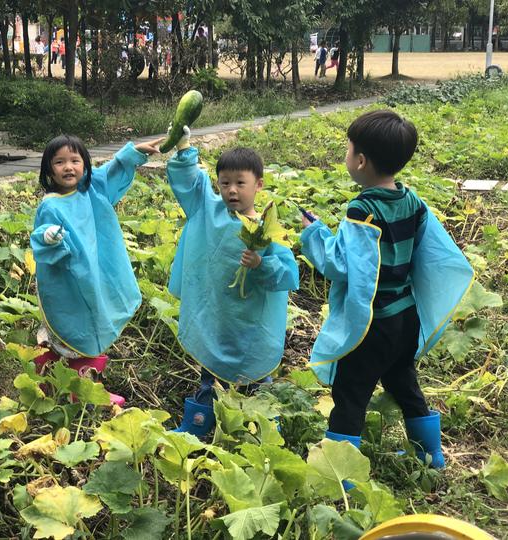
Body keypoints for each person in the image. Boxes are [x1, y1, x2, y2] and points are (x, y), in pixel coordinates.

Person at [299, 110, 473, 470]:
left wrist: (314, 233)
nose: (346, 156)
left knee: (351, 393)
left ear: (360, 161)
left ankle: (340, 474)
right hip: (405, 316)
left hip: (373, 323)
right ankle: (431, 455)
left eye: (348, 151)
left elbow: (343, 265)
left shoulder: (362, 209)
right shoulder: (412, 201)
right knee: (404, 382)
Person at [165, 128, 299, 437]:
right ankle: (197, 425)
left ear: (258, 185)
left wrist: (260, 264)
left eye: (240, 183)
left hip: (250, 324)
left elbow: (288, 275)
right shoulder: (208, 211)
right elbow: (191, 183)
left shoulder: (266, 230)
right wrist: (185, 148)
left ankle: (264, 430)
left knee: (256, 381)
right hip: (214, 316)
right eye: (224, 183)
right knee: (209, 373)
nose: (232, 191)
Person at [31, 134, 164, 407]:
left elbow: (112, 172)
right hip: (68, 280)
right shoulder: (51, 205)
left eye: (75, 161)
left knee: (91, 324)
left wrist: (133, 153)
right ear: (48, 170)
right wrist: (51, 236)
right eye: (59, 162)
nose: (68, 167)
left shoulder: (91, 190)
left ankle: (51, 376)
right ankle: (84, 388)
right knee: (76, 328)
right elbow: (41, 235)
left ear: (85, 165)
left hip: (95, 275)